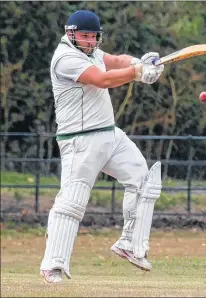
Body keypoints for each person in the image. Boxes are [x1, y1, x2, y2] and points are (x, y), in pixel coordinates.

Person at [40, 10, 164, 283]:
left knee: (143, 180)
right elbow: (103, 79)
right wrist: (137, 73)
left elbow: (115, 61)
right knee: (73, 202)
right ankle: (53, 265)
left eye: (94, 36)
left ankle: (130, 244)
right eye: (84, 36)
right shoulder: (66, 58)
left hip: (109, 133)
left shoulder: (92, 51)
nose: (90, 41)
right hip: (79, 139)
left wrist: (139, 62)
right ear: (70, 34)